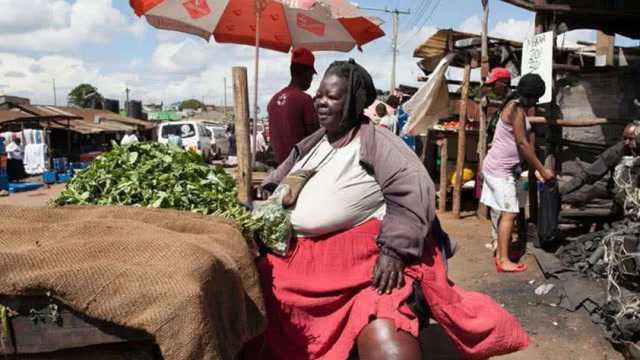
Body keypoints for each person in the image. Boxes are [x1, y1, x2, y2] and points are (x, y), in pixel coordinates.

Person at [255, 59, 529, 359]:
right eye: (319, 94)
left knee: (384, 326)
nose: (320, 102)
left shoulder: (378, 143)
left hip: (361, 265)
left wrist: (393, 250)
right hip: (303, 264)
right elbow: (277, 178)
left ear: (355, 102)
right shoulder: (313, 143)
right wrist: (266, 196)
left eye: (332, 97)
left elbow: (414, 191)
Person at [480, 73, 555, 273]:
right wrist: (542, 170)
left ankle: (501, 251)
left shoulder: (515, 106)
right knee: (510, 212)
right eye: (536, 98)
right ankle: (503, 260)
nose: (536, 102)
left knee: (507, 210)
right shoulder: (516, 109)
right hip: (500, 170)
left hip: (500, 168)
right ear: (529, 95)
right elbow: (522, 143)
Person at [561, 121, 640, 206]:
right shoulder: (617, 150)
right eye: (625, 138)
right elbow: (590, 173)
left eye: (631, 139)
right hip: (620, 189)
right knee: (588, 191)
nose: (627, 142)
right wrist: (562, 190)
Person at [267, 48, 319, 164]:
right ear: (306, 73)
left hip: (280, 169)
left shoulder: (273, 100)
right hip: (299, 167)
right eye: (311, 75)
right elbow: (316, 138)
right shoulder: (305, 100)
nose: (311, 79)